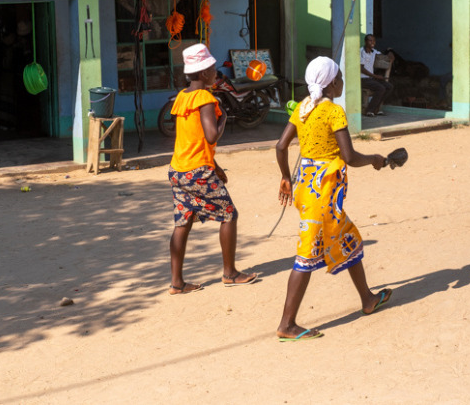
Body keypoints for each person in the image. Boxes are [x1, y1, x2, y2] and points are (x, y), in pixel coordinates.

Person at [275, 56, 392, 341]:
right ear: (331, 83)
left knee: (347, 237)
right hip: (324, 192)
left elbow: (281, 146)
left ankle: (367, 299)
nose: (341, 82)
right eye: (339, 77)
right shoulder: (333, 112)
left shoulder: (303, 107)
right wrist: (374, 159)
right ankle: (287, 325)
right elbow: (350, 157)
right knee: (306, 254)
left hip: (306, 187)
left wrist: (286, 178)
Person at [168, 43, 258, 295]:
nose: (216, 72)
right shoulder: (206, 99)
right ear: (205, 72)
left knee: (182, 222)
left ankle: (177, 283)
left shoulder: (182, 97)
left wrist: (215, 166)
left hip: (179, 171)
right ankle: (229, 273)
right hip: (198, 172)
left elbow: (191, 140)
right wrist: (223, 119)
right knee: (229, 214)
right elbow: (209, 137)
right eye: (213, 68)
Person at [360, 34, 394, 116]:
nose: (373, 43)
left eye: (374, 41)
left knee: (389, 86)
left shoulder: (374, 52)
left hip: (371, 79)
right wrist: (376, 76)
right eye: (370, 40)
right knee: (381, 88)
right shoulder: (361, 52)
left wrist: (390, 54)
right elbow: (361, 69)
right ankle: (369, 110)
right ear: (365, 41)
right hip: (362, 79)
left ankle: (376, 108)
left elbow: (385, 57)